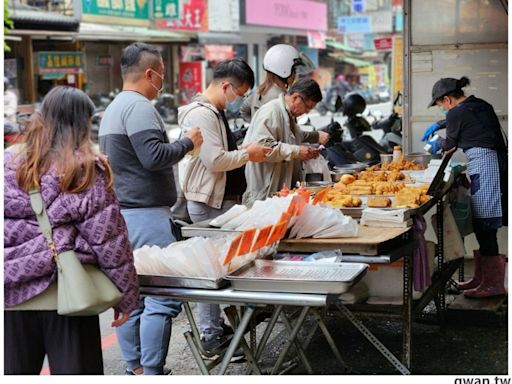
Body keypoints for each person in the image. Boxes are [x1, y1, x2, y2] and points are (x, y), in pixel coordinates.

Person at [4, 86, 139, 375]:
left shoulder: (7, 163)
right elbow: (110, 241)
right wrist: (126, 296)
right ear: (80, 124)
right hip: (68, 294)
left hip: (10, 297)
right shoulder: (83, 169)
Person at [99, 42, 203, 375]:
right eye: (161, 72)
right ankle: (152, 370)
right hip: (146, 215)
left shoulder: (114, 108)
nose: (163, 79)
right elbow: (153, 156)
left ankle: (136, 368)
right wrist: (188, 143)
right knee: (161, 296)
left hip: (124, 214)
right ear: (149, 73)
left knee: (134, 296)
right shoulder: (140, 107)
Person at [178, 58, 271, 358]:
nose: (239, 100)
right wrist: (248, 153)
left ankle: (221, 325)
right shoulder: (202, 115)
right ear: (226, 86)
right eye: (240, 93)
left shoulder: (215, 112)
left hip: (221, 201)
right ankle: (210, 335)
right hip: (208, 203)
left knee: (225, 264)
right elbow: (215, 161)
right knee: (211, 269)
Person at [423, 76, 507, 299]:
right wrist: (441, 124)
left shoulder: (456, 113)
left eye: (440, 105)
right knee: (484, 227)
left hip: (487, 170)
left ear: (447, 99)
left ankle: (494, 285)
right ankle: (482, 279)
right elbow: (467, 119)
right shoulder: (480, 105)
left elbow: (449, 146)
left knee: (485, 227)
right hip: (495, 167)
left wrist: (436, 143)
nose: (442, 110)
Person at [242, 77, 325, 206]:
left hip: (280, 194)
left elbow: (290, 142)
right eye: (307, 107)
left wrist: (306, 152)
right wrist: (297, 151)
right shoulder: (271, 111)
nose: (306, 113)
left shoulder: (289, 116)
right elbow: (263, 147)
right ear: (296, 97)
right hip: (264, 195)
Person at [240, 44, 303, 123]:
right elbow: (289, 132)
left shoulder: (259, 91)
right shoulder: (281, 98)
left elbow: (243, 110)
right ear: (284, 70)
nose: (295, 74)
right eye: (294, 70)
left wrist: (255, 126)